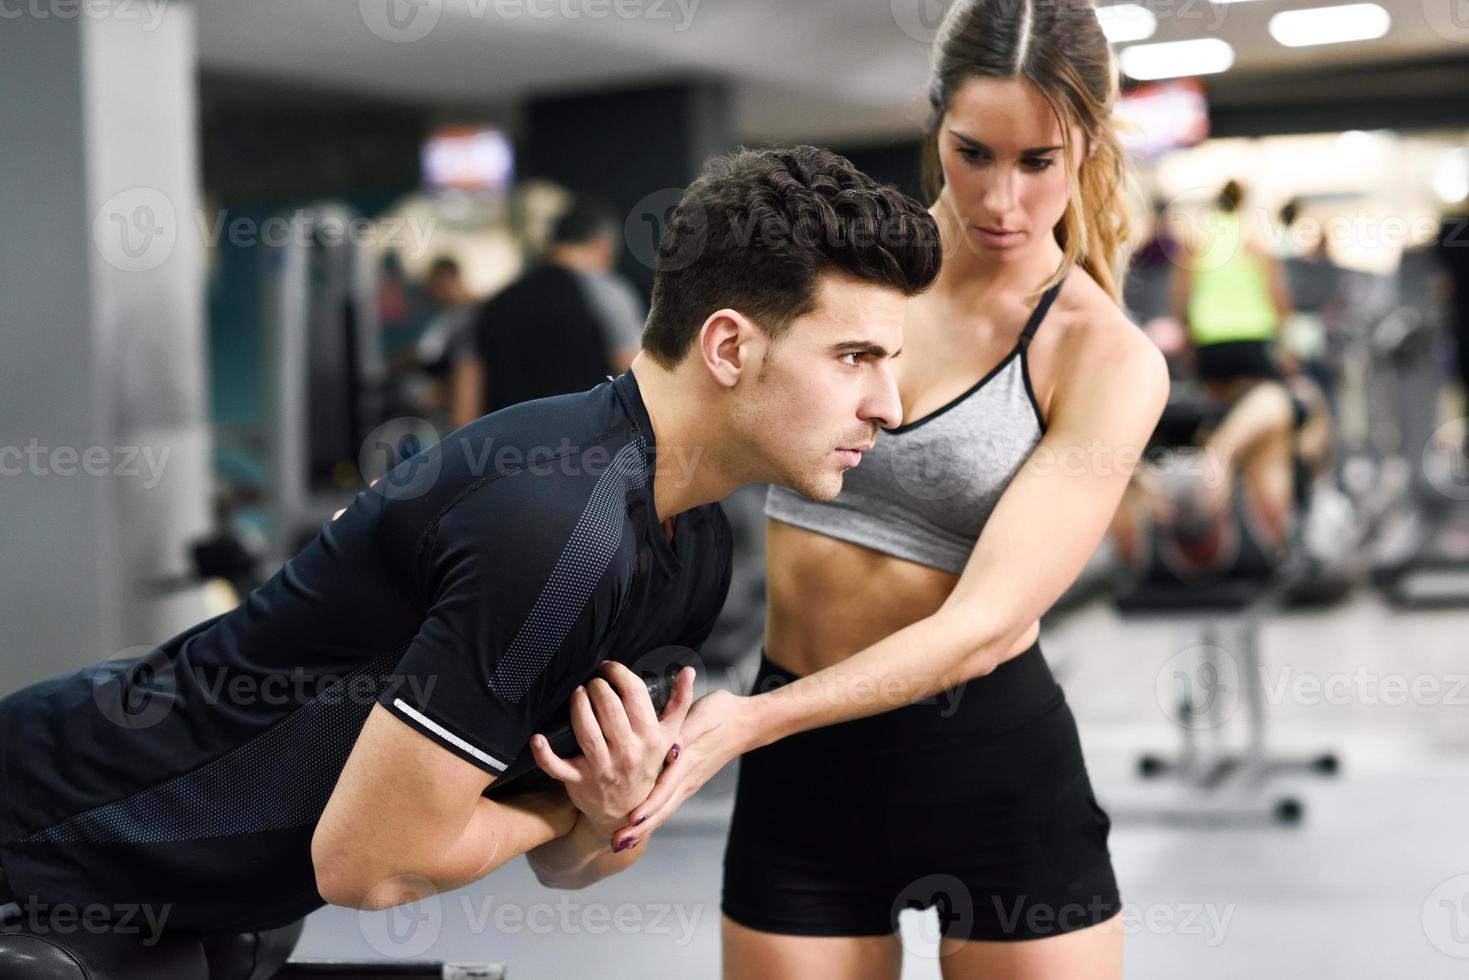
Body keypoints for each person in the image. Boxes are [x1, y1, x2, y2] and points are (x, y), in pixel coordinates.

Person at [0, 145, 941, 974]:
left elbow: (580, 863)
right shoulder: (550, 527)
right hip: (42, 831)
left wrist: (601, 810)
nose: (888, 405)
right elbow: (369, 864)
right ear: (729, 346)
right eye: (855, 357)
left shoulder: (689, 546)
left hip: (181, 889)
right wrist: (568, 814)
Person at [603, 3, 1170, 977]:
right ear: (934, 121)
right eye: (972, 152)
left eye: (1038, 161)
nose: (1000, 198)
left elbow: (988, 621)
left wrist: (747, 721)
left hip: (986, 764)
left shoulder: (1100, 354)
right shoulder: (831, 271)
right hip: (805, 781)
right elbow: (671, 413)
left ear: (1087, 143)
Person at [451, 198, 647, 427]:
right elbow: (639, 378)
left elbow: (464, 411)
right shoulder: (606, 293)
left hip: (507, 453)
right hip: (587, 452)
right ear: (601, 246)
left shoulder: (493, 305)